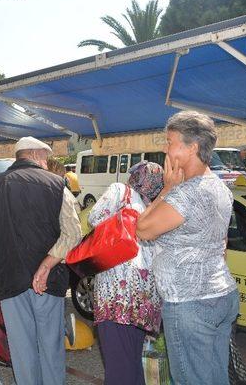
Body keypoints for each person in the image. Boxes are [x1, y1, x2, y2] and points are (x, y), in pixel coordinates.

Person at [136, 111, 239, 385]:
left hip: (189, 303)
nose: (165, 148)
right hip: (220, 293)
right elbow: (223, 244)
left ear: (192, 147)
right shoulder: (219, 187)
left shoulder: (186, 193)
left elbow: (142, 228)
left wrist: (167, 188)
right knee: (216, 377)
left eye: (170, 142)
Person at [0, 137, 82, 384]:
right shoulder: (57, 185)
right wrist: (46, 265)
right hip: (48, 281)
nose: (46, 163)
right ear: (34, 155)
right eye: (44, 157)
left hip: (9, 278)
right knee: (51, 345)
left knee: (21, 347)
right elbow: (73, 232)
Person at [88, 161, 164, 385]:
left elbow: (94, 218)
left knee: (118, 365)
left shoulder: (120, 191)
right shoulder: (158, 207)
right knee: (132, 360)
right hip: (146, 296)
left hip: (116, 294)